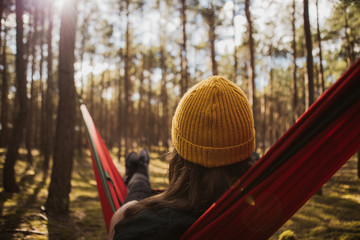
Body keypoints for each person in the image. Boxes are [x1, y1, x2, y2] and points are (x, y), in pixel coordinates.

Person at [108, 76, 258, 240]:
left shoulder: (146, 227)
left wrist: (123, 213)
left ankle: (140, 171)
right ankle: (140, 170)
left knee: (135, 196)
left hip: (180, 201)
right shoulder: (261, 188)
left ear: (178, 152)